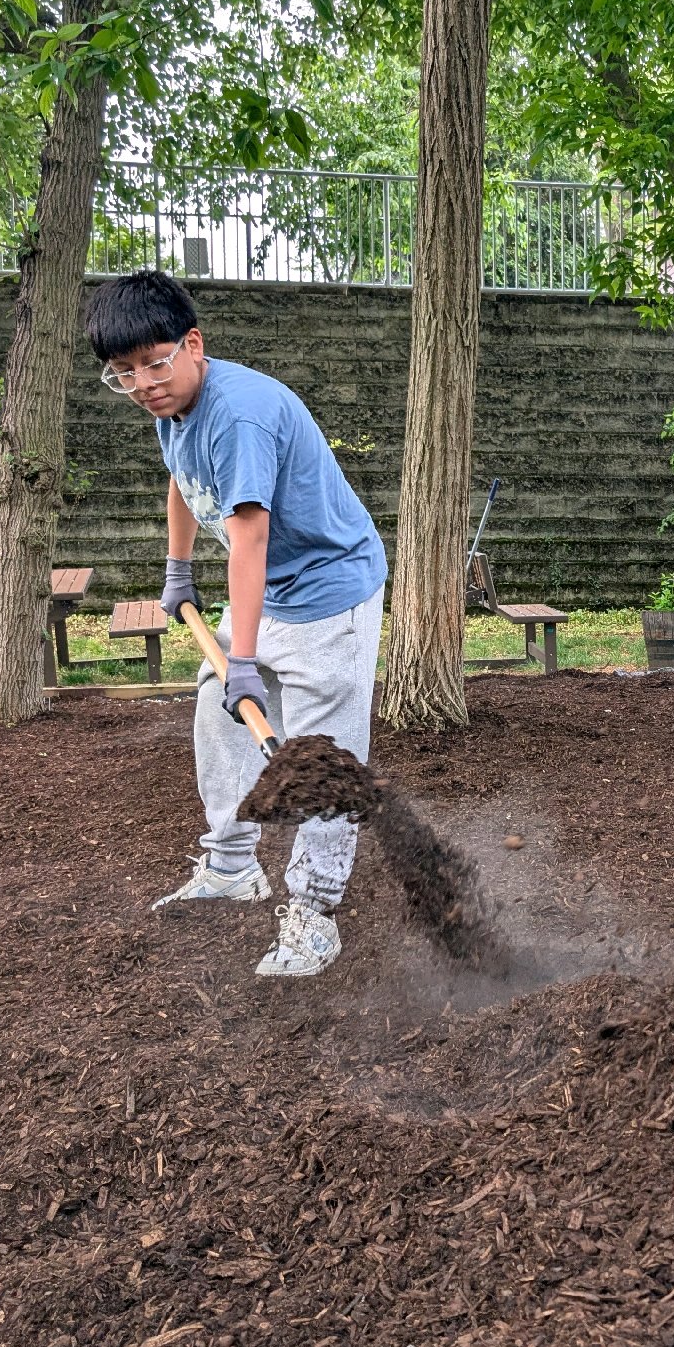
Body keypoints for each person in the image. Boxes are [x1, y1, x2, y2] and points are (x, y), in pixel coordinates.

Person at [85, 270, 387, 979]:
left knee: (322, 761)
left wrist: (243, 659)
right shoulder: (170, 406)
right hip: (270, 586)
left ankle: (314, 912)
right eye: (124, 374)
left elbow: (249, 538)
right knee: (217, 713)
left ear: (193, 344)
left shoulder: (240, 414)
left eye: (155, 363)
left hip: (327, 590)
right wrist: (178, 568)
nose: (144, 384)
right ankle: (229, 865)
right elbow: (183, 480)